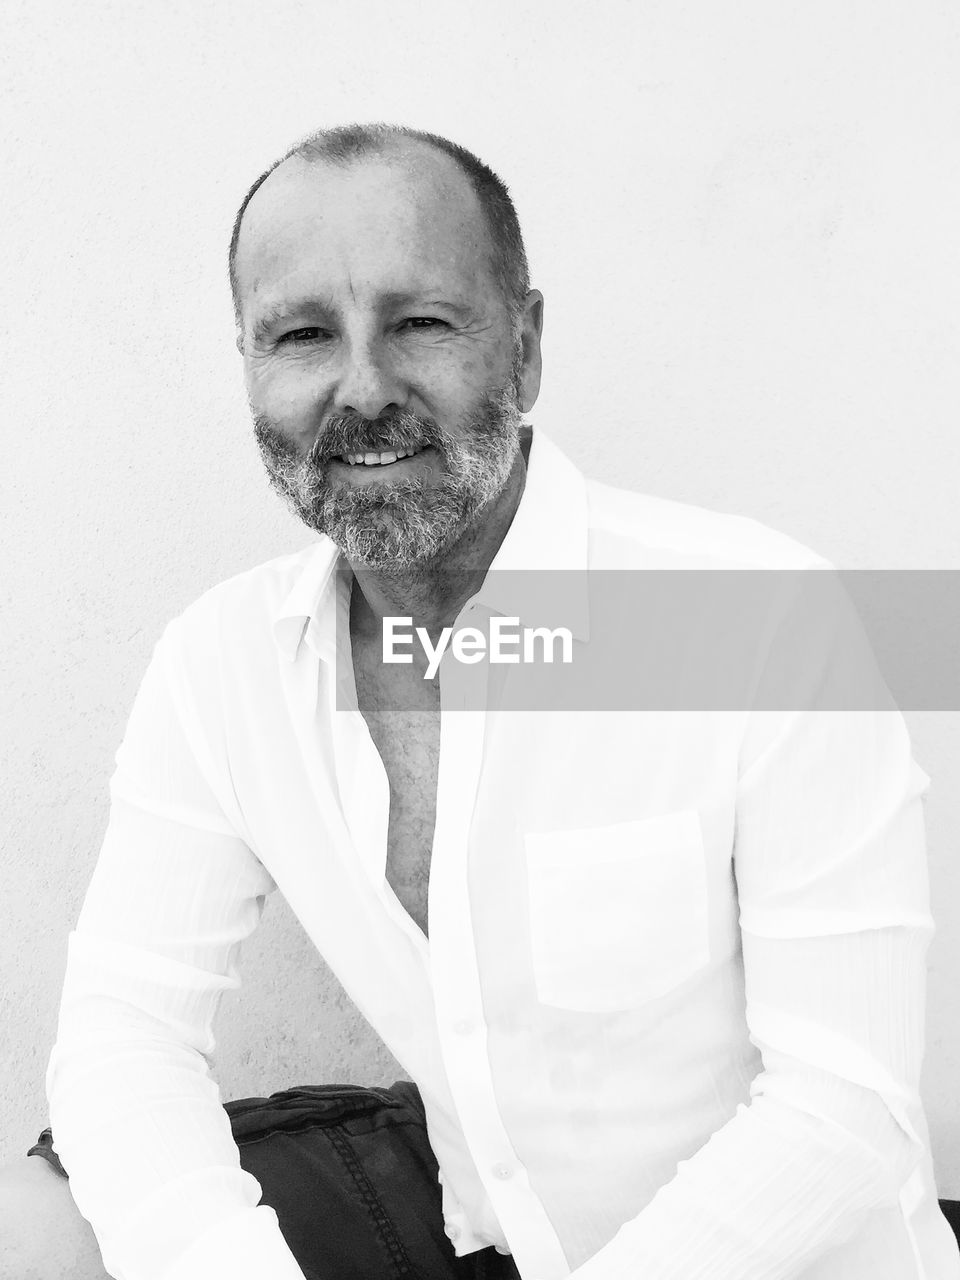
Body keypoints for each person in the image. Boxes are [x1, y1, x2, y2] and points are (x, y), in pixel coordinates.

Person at [1, 122, 957, 1280]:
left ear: (528, 344)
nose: (362, 388)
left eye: (422, 322)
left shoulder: (755, 617)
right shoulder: (223, 665)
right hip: (485, 1230)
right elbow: (122, 1041)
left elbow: (845, 1108)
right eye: (303, 334)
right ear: (250, 361)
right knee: (33, 1223)